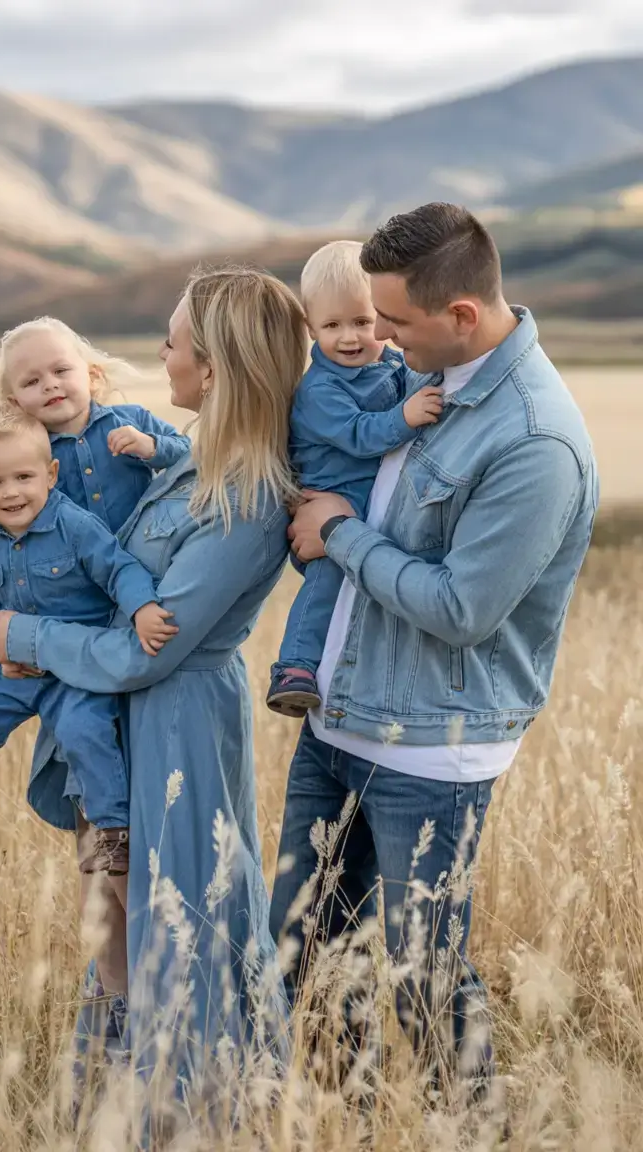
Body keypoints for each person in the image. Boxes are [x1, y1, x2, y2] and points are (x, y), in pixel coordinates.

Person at [270, 203, 598, 1103]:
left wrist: (337, 533)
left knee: (425, 978)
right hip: (340, 718)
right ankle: (351, 1119)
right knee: (305, 952)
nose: (380, 341)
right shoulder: (427, 375)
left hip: (431, 747)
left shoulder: (535, 441)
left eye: (396, 325)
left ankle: (475, 1125)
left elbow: (461, 609)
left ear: (460, 315)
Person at [0, 268, 308, 1092]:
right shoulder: (191, 459)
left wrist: (26, 634)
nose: (159, 357)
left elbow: (145, 651)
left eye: (174, 343)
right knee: (116, 914)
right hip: (120, 722)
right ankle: (121, 1095)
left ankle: (200, 1104)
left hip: (181, 723)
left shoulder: (247, 496)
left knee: (185, 915)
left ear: (217, 367)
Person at [0, 405, 174, 874]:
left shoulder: (75, 527)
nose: (11, 493)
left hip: (76, 665)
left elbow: (119, 568)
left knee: (81, 731)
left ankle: (113, 833)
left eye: (24, 477)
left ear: (51, 474)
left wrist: (143, 609)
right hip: (17, 670)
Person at [266, 240, 444, 717]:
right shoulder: (320, 390)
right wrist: (406, 416)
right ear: (310, 327)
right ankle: (294, 668)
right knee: (326, 582)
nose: (350, 337)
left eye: (363, 322)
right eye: (332, 325)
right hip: (330, 504)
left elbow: (415, 380)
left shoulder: (387, 363)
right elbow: (360, 435)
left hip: (367, 512)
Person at [0, 315, 192, 535]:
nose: (50, 384)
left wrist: (151, 446)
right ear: (16, 403)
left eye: (60, 371)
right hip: (75, 565)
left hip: (145, 549)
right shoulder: (26, 452)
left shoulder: (133, 420)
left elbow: (189, 454)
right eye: (32, 382)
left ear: (92, 377)